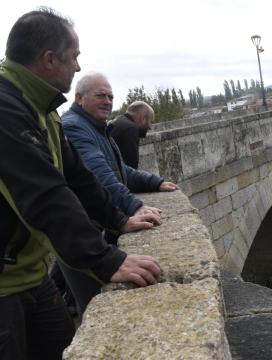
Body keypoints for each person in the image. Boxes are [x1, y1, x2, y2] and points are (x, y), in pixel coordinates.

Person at [0, 8, 163, 360]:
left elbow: (77, 176)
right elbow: (44, 192)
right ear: (48, 59)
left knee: (63, 345)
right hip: (4, 286)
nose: (76, 67)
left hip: (28, 275)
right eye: (74, 57)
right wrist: (105, 260)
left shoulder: (40, 107)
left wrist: (118, 219)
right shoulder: (6, 108)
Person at [59, 73, 178, 314]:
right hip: (82, 230)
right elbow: (98, 174)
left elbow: (120, 169)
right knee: (95, 305)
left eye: (111, 96)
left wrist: (155, 182)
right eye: (100, 95)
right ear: (79, 98)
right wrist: (134, 207)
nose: (107, 101)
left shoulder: (97, 128)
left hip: (92, 227)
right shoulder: (74, 127)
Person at [110, 101, 154, 169]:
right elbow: (131, 167)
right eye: (151, 122)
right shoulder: (131, 129)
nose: (150, 127)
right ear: (143, 118)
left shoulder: (118, 122)